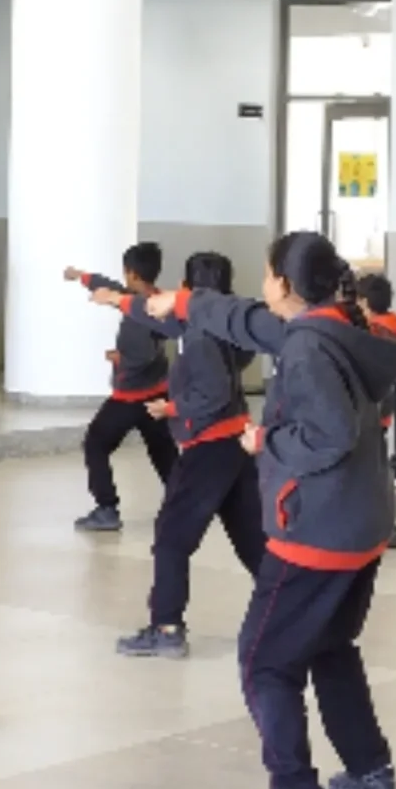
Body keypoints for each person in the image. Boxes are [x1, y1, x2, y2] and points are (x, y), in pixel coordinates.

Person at [157, 231, 396, 789]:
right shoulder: (335, 329)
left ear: (286, 284)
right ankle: (370, 772)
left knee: (264, 659)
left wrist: (266, 441)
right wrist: (183, 303)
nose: (263, 283)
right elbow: (250, 322)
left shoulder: (308, 349)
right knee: (330, 646)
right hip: (358, 521)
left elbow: (327, 434)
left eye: (268, 273)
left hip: (317, 529)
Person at [117, 250, 266, 658]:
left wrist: (173, 408)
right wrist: (114, 298)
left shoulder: (198, 335)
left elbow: (212, 393)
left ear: (187, 288)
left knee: (171, 538)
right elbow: (163, 319)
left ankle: (166, 628)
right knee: (253, 538)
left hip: (211, 446)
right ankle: (290, 609)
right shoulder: (226, 323)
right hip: (236, 443)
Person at [65, 248, 175, 532]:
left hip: (131, 398)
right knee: (163, 450)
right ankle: (183, 502)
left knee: (95, 444)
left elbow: (142, 355)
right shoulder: (153, 299)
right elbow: (112, 288)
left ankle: (107, 508)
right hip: (158, 393)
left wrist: (118, 359)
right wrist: (81, 276)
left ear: (133, 273)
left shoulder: (138, 313)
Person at [356, 272, 396, 548]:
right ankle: (387, 528)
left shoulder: (373, 332)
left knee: (368, 471)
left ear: (364, 302)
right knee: (378, 468)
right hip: (385, 408)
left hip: (369, 409)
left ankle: (385, 529)